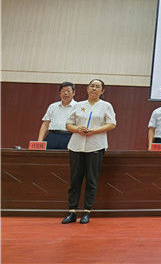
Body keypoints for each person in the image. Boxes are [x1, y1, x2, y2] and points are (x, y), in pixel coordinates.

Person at [61, 79, 116, 224]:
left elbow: (112, 124)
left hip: (96, 146)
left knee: (91, 180)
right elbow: (68, 124)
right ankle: (72, 212)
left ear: (102, 91)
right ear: (87, 89)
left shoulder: (106, 106)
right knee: (75, 180)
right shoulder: (78, 105)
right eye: (92, 86)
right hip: (76, 146)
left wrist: (94, 131)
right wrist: (77, 129)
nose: (94, 89)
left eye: (98, 87)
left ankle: (86, 211)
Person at [37, 82, 77, 150]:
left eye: (68, 91)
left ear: (74, 93)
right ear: (60, 93)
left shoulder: (78, 107)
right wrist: (39, 141)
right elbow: (45, 124)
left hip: (69, 137)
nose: (66, 93)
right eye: (63, 91)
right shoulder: (53, 106)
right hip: (52, 136)